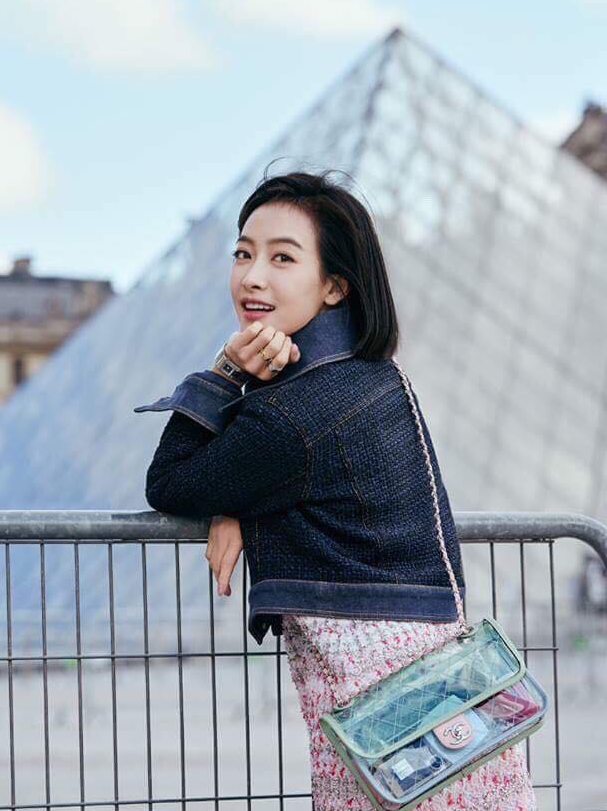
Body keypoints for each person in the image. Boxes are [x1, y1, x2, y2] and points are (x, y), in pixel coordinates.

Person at [135, 168, 537, 811]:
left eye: (282, 258)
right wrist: (238, 501)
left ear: (334, 285)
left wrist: (226, 369)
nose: (252, 276)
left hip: (384, 733)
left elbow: (171, 482)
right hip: (443, 710)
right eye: (242, 253)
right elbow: (276, 473)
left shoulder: (294, 414)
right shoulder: (373, 377)